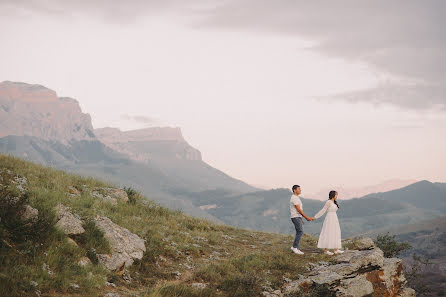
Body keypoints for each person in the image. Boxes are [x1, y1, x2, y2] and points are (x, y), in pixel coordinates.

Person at [314, 190, 344, 255]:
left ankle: (336, 249)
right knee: (328, 232)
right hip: (329, 218)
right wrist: (315, 217)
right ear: (333, 195)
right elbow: (323, 210)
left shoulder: (334, 202)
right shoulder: (328, 202)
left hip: (334, 218)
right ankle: (326, 250)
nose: (337, 196)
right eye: (336, 195)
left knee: (336, 232)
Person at [290, 185, 315, 255]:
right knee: (300, 232)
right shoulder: (294, 198)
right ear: (294, 190)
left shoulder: (296, 198)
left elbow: (298, 210)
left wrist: (301, 218)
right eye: (298, 189)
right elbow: (298, 209)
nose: (300, 190)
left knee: (299, 231)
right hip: (295, 217)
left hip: (297, 217)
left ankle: (295, 247)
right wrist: (306, 217)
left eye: (300, 189)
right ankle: (295, 247)